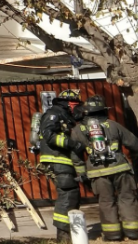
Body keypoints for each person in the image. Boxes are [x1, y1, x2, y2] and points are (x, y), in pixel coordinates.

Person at [71, 95, 138, 241]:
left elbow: (75, 155)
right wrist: (134, 158)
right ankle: (133, 232)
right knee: (127, 198)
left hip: (97, 173)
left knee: (106, 202)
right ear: (103, 110)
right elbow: (135, 143)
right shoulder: (113, 125)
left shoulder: (78, 130)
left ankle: (112, 234)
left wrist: (82, 173)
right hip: (121, 169)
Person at [37, 88, 86, 243]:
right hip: (57, 160)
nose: (77, 109)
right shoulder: (54, 114)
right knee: (67, 194)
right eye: (75, 104)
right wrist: (72, 144)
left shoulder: (65, 116)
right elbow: (49, 135)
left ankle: (69, 233)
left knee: (72, 194)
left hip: (63, 161)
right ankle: (63, 237)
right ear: (68, 103)